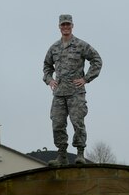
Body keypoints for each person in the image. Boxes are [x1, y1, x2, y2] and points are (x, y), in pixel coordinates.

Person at [42, 13, 103, 166]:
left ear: (72, 26)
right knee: (57, 124)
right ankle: (61, 155)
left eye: (68, 24)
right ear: (59, 27)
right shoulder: (54, 48)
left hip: (76, 93)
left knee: (78, 122)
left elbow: (97, 60)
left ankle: (80, 153)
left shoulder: (80, 45)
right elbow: (46, 67)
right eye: (63, 25)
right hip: (59, 94)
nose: (66, 27)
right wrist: (49, 80)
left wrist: (86, 78)